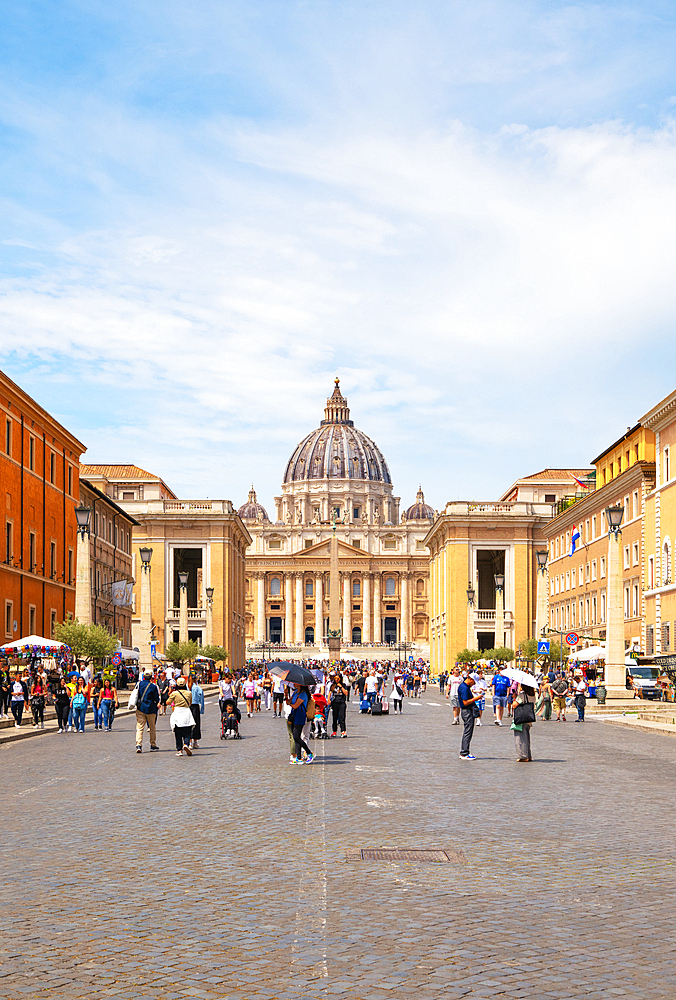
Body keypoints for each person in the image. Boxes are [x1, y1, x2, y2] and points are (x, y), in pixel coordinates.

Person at [286, 683, 314, 765]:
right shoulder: (295, 692)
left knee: (296, 737)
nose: (293, 684)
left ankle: (309, 753)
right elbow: (289, 702)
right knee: (296, 737)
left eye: (295, 683)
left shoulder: (303, 694)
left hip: (300, 716)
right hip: (294, 716)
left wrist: (291, 704)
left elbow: (295, 706)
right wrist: (287, 697)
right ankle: (299, 758)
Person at [167, 676, 195, 756]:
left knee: (178, 732)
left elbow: (167, 702)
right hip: (186, 712)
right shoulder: (189, 693)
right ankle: (186, 744)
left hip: (178, 712)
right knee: (187, 731)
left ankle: (179, 750)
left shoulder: (174, 693)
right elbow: (190, 703)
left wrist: (170, 696)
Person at [135, 667, 160, 753]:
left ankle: (138, 744)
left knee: (140, 727)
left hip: (140, 708)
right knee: (152, 727)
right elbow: (156, 698)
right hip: (151, 709)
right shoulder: (153, 687)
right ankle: (152, 745)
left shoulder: (139, 684)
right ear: (151, 677)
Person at [458, 671, 480, 759]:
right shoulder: (464, 688)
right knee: (468, 732)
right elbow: (465, 702)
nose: (474, 684)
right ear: (470, 679)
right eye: (473, 682)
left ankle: (465, 751)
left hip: (467, 711)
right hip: (466, 711)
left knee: (468, 731)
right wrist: (476, 698)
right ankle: (464, 753)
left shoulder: (465, 687)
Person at [512, 683, 536, 761]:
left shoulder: (522, 695)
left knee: (520, 738)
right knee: (526, 738)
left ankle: (523, 756)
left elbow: (514, 705)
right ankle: (528, 755)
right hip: (528, 718)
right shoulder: (533, 695)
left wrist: (515, 698)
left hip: (521, 719)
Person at [329, 672, 349, 737]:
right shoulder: (333, 685)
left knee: (342, 717)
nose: (336, 680)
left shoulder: (344, 685)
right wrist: (328, 699)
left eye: (338, 678)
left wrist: (341, 687)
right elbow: (330, 692)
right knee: (334, 717)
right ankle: (334, 731)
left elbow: (346, 693)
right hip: (335, 702)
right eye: (335, 678)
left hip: (342, 702)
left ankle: (343, 731)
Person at [189, 675, 204, 749]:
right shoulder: (197, 688)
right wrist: (202, 709)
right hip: (195, 707)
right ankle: (195, 742)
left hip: (188, 707)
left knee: (188, 724)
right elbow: (202, 699)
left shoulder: (186, 687)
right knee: (196, 724)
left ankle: (189, 742)